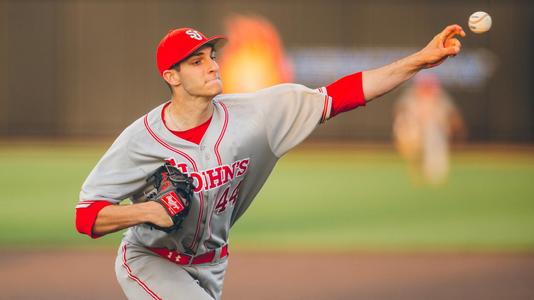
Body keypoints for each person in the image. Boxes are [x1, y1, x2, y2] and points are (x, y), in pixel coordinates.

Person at [75, 25, 465, 299]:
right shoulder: (140, 140)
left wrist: (420, 60)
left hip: (213, 265)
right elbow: (86, 217)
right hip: (150, 260)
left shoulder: (255, 115)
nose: (212, 65)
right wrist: (147, 210)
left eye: (212, 56)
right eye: (196, 62)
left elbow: (340, 96)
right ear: (171, 76)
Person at [393, 72, 466, 185]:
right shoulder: (410, 97)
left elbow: (452, 115)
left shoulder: (440, 96)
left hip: (435, 130)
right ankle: (420, 174)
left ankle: (436, 177)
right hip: (417, 130)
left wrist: (456, 128)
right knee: (415, 150)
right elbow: (401, 115)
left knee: (435, 152)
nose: (426, 87)